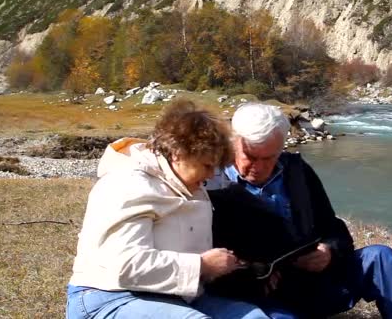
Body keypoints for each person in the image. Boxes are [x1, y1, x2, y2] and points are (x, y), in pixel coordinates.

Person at [206, 103, 392, 319]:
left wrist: (329, 251)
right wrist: (250, 277)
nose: (260, 167)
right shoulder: (211, 184)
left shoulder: (297, 172)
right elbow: (203, 263)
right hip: (267, 299)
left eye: (270, 157)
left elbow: (334, 228)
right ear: (233, 143)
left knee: (380, 257)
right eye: (252, 157)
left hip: (319, 283)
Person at [66, 100, 269, 319]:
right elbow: (126, 265)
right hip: (108, 296)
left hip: (176, 296)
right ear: (177, 153)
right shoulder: (128, 183)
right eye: (207, 166)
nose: (211, 176)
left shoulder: (188, 184)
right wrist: (202, 265)